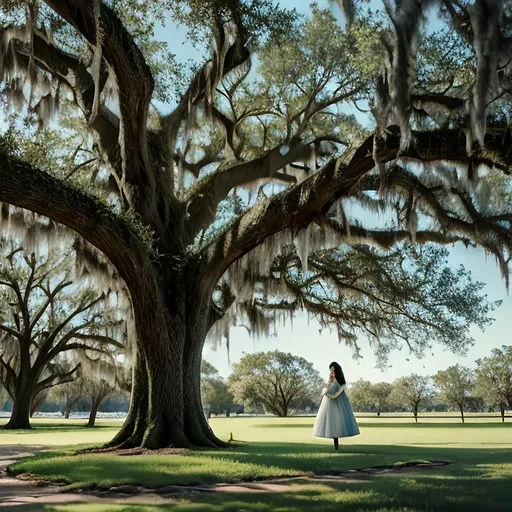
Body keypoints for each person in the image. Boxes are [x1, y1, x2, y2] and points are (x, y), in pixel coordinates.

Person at [313, 361, 360, 451]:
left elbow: (337, 393)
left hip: (338, 403)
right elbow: (327, 388)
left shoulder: (341, 382)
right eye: (331, 371)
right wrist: (329, 384)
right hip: (329, 404)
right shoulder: (331, 379)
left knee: (338, 422)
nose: (331, 373)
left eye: (333, 371)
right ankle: (335, 446)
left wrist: (329, 395)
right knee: (330, 423)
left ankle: (336, 446)